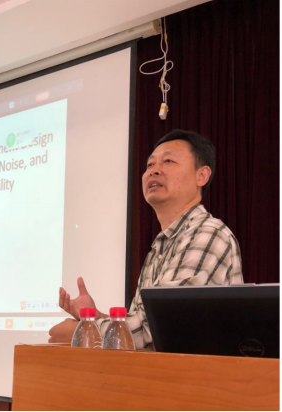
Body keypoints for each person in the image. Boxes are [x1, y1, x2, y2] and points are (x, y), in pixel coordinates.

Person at [49, 130, 244, 350]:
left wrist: (83, 330)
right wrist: (94, 316)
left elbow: (160, 326)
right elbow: (144, 328)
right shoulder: (160, 246)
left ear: (202, 176)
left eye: (168, 161)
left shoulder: (207, 233)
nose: (154, 170)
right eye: (150, 164)